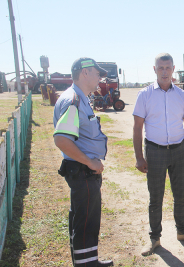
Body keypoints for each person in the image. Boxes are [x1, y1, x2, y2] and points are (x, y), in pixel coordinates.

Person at [133, 53, 184, 256]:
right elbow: (137, 128)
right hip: (154, 151)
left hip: (179, 151)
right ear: (154, 70)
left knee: (180, 195)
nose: (164, 72)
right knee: (155, 197)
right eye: (160, 68)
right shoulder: (144, 95)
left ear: (173, 70)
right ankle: (155, 238)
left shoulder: (182, 95)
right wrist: (139, 157)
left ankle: (182, 232)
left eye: (168, 68)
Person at [53, 57, 113, 267]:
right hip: (82, 171)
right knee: (86, 219)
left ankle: (85, 260)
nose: (100, 79)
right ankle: (88, 264)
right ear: (85, 72)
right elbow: (61, 139)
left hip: (80, 171)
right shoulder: (74, 100)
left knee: (81, 217)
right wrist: (90, 162)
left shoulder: (80, 98)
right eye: (97, 74)